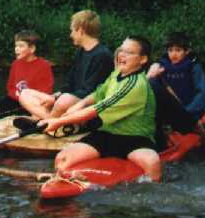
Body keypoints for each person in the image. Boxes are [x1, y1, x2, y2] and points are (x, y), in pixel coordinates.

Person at [38, 36, 161, 182]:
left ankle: (154, 188)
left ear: (143, 59)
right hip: (107, 134)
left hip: (135, 138)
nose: (121, 54)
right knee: (62, 158)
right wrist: (79, 104)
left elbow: (96, 109)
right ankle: (64, 185)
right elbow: (98, 93)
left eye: (129, 52)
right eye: (121, 50)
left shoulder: (136, 84)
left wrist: (58, 121)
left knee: (152, 163)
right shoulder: (116, 74)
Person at [19, 10, 113, 119]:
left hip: (85, 104)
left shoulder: (102, 55)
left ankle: (43, 121)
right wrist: (55, 96)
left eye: (72, 31)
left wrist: (57, 99)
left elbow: (91, 92)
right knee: (25, 94)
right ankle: (49, 119)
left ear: (81, 31)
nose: (71, 35)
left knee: (64, 100)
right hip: (69, 100)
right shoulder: (81, 52)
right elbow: (70, 83)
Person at [146, 31, 205, 147]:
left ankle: (203, 132)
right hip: (169, 110)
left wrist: (187, 112)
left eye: (178, 50)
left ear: (187, 51)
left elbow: (202, 93)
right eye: (170, 50)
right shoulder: (160, 66)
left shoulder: (194, 67)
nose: (173, 54)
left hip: (188, 109)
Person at [0, 29, 54, 114]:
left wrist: (26, 99)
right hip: (16, 99)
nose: (16, 49)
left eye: (21, 46)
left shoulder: (43, 66)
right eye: (16, 46)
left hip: (33, 103)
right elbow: (10, 87)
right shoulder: (15, 64)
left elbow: (45, 92)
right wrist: (18, 96)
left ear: (32, 48)